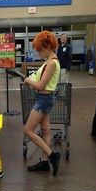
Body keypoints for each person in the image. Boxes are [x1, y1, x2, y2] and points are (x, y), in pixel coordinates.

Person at [24, 30, 61, 176]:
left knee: (27, 130)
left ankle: (52, 155)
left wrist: (28, 80)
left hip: (43, 99)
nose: (38, 53)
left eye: (39, 50)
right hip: (46, 99)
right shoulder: (50, 61)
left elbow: (40, 86)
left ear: (47, 46)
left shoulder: (51, 63)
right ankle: (45, 162)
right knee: (45, 131)